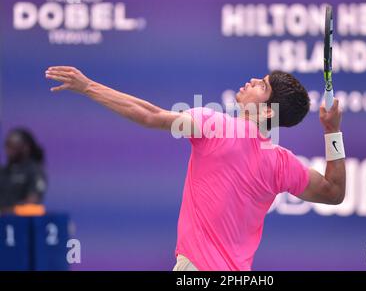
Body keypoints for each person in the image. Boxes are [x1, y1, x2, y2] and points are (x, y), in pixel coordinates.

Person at [45, 66, 346, 271]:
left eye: (262, 85)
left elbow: (150, 116)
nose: (253, 80)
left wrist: (88, 87)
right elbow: (334, 192)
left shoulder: (214, 125)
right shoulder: (283, 163)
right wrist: (332, 131)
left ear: (267, 110)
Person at [0, 128, 47, 215]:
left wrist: (6, 211)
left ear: (25, 148)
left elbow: (32, 202)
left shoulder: (34, 171)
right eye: (7, 145)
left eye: (13, 146)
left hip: (20, 222)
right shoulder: (3, 172)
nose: (8, 150)